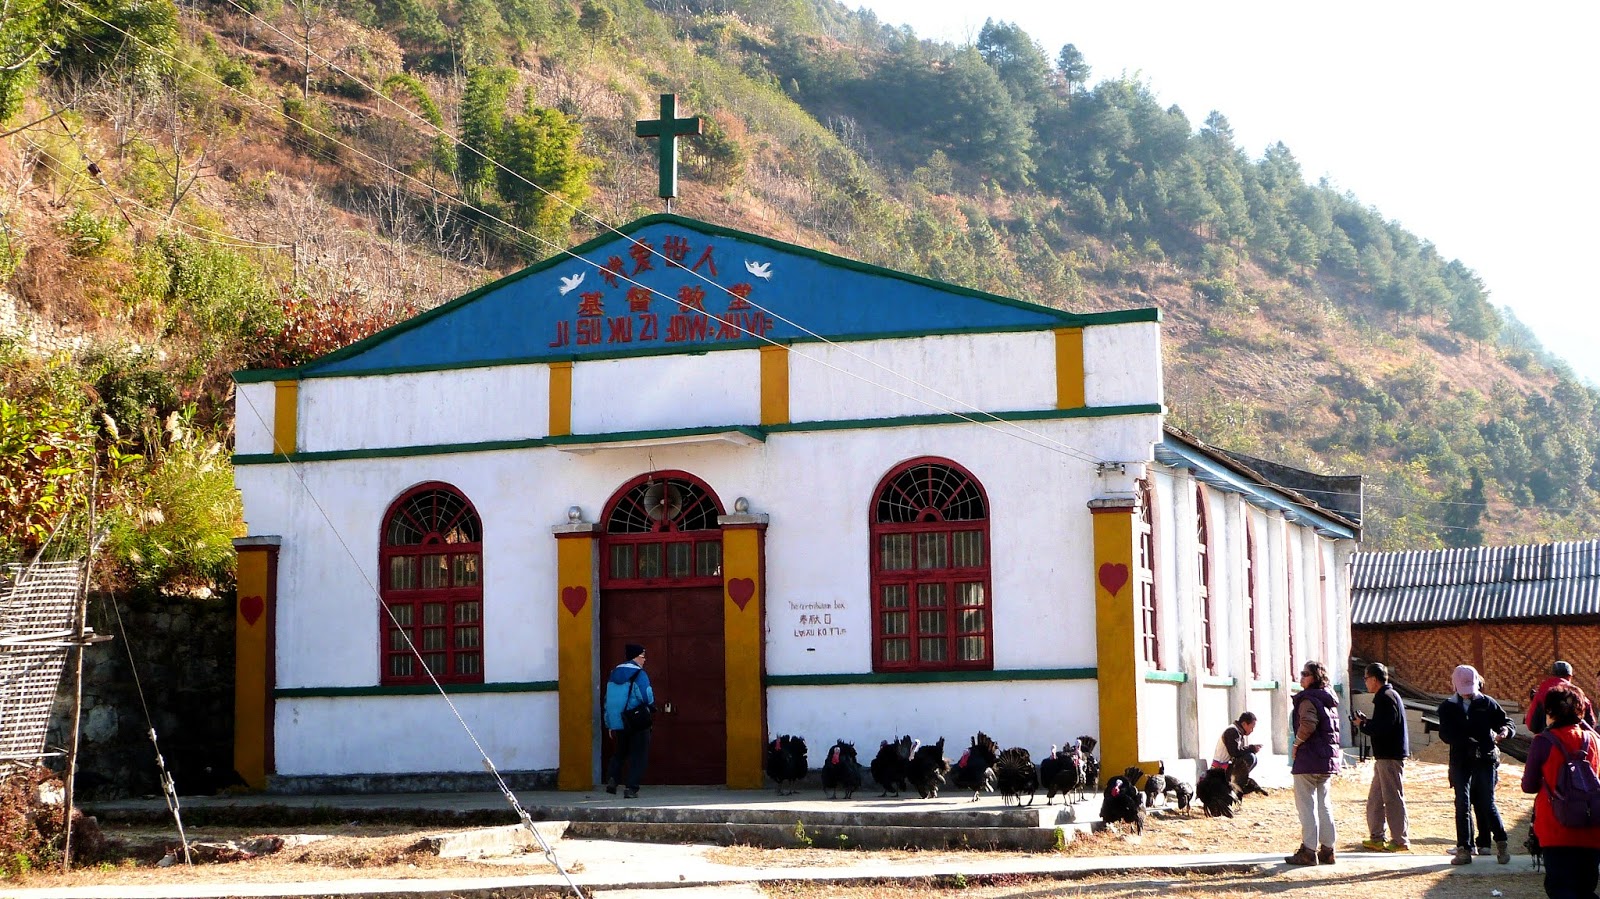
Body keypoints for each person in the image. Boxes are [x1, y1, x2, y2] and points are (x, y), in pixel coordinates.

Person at [1523, 682, 1600, 899]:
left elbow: (1528, 786)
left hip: (1555, 828)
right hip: (1592, 826)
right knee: (1585, 890)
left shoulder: (1543, 742)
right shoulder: (1595, 740)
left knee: (1560, 889)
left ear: (1550, 711)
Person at [1438, 663, 1514, 865]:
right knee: (1462, 803)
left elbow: (1506, 722)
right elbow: (1445, 734)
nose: (1466, 693)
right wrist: (1464, 740)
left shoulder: (1487, 703)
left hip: (1485, 759)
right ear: (1454, 685)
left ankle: (1501, 843)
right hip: (1460, 760)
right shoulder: (1447, 707)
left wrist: (1505, 732)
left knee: (1486, 802)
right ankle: (1464, 849)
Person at [1286, 660, 1342, 866]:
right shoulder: (1329, 699)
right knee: (1324, 804)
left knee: (1306, 806)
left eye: (1305, 674)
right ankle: (1328, 849)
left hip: (1308, 759)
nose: (1301, 677)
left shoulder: (1308, 699)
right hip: (1326, 760)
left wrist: (1296, 744)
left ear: (1315, 678)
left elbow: (1308, 724)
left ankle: (1309, 851)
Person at [1355, 661, 1410, 852]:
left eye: (1366, 678)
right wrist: (1366, 723)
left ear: (1374, 679)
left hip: (1390, 756)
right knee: (1375, 799)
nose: (1365, 682)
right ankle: (1377, 837)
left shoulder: (1385, 697)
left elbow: (1383, 728)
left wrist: (1363, 725)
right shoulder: (1388, 695)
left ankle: (1400, 840)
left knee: (1393, 798)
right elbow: (1384, 724)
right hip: (1384, 756)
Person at [602, 643, 654, 799]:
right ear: (635, 657)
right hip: (636, 721)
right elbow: (646, 696)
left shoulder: (613, 674)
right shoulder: (639, 674)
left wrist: (609, 723)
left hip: (618, 722)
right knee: (638, 755)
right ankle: (631, 788)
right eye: (642, 656)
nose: (644, 660)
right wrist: (651, 705)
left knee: (620, 752)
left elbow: (607, 700)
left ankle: (613, 779)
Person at [1212, 711, 1268, 796]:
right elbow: (1235, 753)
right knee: (1250, 757)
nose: (1252, 731)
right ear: (1244, 724)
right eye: (1251, 728)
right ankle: (1235, 783)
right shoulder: (1232, 731)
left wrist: (1251, 748)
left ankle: (1237, 783)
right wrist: (1251, 748)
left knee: (1253, 757)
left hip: (1226, 767)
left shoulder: (1237, 732)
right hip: (1220, 769)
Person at [1529, 661, 1577, 735]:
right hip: (1573, 738)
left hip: (1545, 739)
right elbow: (1590, 721)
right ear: (1569, 677)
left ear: (1552, 675)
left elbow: (1531, 723)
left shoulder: (1541, 693)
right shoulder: (1577, 694)